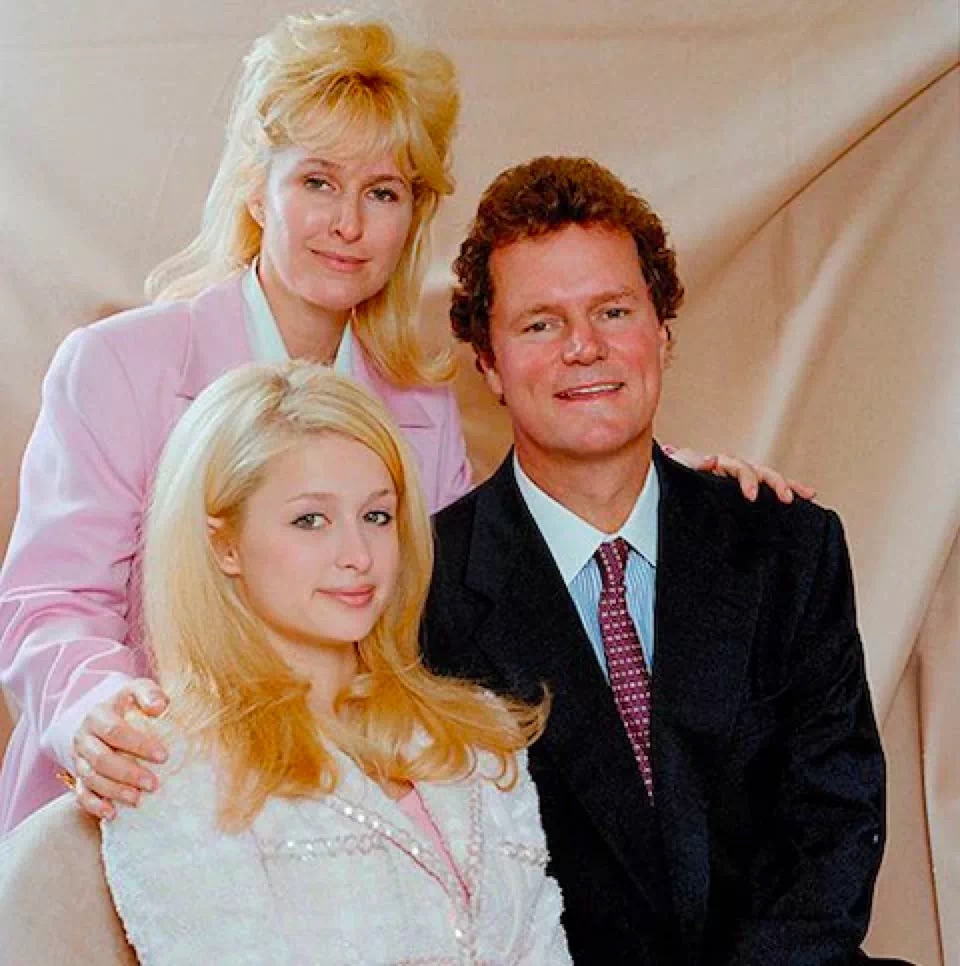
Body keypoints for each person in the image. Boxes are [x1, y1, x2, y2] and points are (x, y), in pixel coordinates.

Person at [0, 12, 805, 834]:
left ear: (413, 216)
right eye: (317, 183)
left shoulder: (418, 404)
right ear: (255, 188)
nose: (348, 224)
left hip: (326, 814)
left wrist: (645, 483)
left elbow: (473, 571)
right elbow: (48, 600)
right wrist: (98, 711)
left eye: (381, 192)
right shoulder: (119, 364)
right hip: (132, 797)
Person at [421, 156, 888, 964]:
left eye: (613, 310)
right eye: (540, 324)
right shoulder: (420, 588)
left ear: (662, 333)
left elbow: (834, 831)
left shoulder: (789, 548)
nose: (584, 348)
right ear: (488, 363)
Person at [98, 360, 571, 964]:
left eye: (376, 516)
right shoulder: (169, 771)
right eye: (310, 520)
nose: (358, 555)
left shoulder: (479, 735)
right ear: (224, 545)